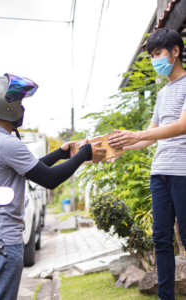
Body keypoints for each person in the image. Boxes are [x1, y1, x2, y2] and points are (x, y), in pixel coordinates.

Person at [0, 73, 106, 300]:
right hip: (1, 241)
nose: (21, 107)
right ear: (6, 104)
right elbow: (49, 179)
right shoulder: (6, 142)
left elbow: (31, 170)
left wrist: (61, 154)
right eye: (19, 101)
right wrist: (83, 154)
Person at [108, 29, 186, 300]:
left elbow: (181, 125)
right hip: (160, 172)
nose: (154, 60)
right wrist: (121, 146)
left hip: (182, 172)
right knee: (161, 240)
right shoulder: (163, 93)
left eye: (157, 54)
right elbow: (150, 136)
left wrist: (138, 135)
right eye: (152, 55)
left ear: (175, 51)